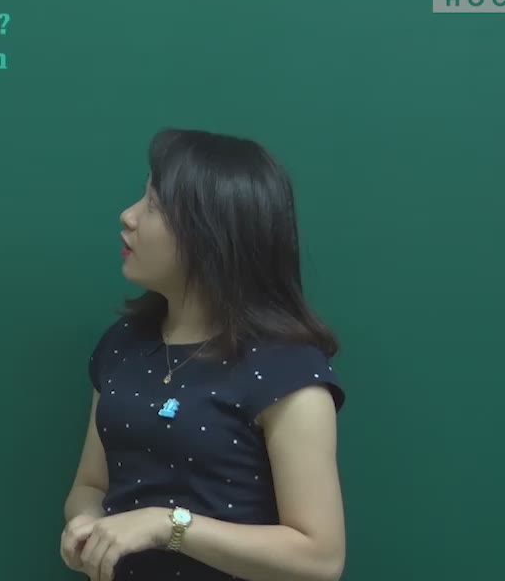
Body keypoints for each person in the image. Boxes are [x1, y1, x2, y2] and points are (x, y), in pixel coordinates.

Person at [59, 128, 346, 581]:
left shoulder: (288, 371)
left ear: (210, 234)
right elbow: (91, 485)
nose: (128, 216)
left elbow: (320, 558)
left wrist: (167, 526)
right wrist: (87, 524)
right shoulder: (123, 344)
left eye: (153, 205)